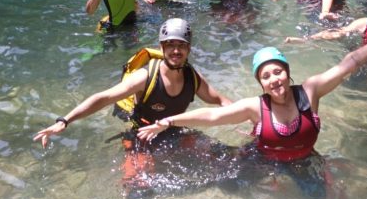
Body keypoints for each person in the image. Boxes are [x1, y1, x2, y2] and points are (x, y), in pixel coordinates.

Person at [136, 28, 367, 159]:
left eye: (278, 72)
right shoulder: (255, 107)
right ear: (261, 83)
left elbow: (349, 63)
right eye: (266, 76)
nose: (274, 80)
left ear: (287, 73)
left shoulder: (310, 92)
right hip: (262, 162)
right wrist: (168, 122)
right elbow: (213, 116)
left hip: (304, 161)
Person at [33, 18, 231, 148]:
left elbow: (221, 100)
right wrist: (64, 121)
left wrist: (253, 120)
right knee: (138, 192)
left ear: (189, 49)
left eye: (181, 46)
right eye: (170, 45)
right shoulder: (145, 77)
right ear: (162, 47)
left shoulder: (192, 77)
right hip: (141, 134)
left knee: (222, 154)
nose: (176, 51)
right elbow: (103, 98)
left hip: (173, 130)